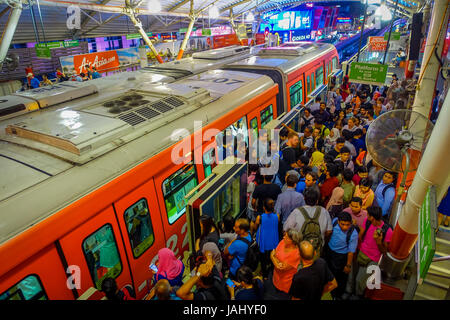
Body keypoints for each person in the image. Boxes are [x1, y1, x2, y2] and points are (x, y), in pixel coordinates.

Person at [354, 207, 393, 298]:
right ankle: (351, 292)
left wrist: (378, 242)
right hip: (361, 254)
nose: (366, 216)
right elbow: (360, 236)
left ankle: (358, 295)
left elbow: (385, 251)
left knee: (360, 280)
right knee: (354, 275)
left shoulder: (387, 231)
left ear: (372, 217)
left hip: (373, 259)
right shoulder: (367, 222)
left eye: (368, 214)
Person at [283, 188, 332, 257]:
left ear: (304, 199)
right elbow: (329, 231)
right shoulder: (324, 211)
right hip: (318, 248)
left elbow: (286, 230)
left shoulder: (296, 212)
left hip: (301, 248)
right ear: (317, 201)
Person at [324, 211, 358, 300]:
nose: (345, 227)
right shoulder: (334, 221)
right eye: (342, 224)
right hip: (329, 252)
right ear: (338, 221)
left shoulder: (353, 233)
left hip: (341, 257)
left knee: (339, 277)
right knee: (328, 273)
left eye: (347, 224)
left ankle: (336, 295)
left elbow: (351, 251)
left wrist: (348, 265)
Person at [270, 229, 301, 297]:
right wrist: (275, 259)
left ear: (292, 241)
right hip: (276, 278)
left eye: (286, 237)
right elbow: (274, 252)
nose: (284, 237)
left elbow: (280, 267)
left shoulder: (296, 253)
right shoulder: (283, 242)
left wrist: (272, 257)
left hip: (286, 283)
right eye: (284, 235)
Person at [255, 199, 280, 278]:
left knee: (263, 260)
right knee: (273, 257)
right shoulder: (277, 216)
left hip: (263, 241)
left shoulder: (260, 217)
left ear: (264, 208)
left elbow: (256, 227)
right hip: (273, 240)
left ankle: (265, 275)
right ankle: (273, 273)